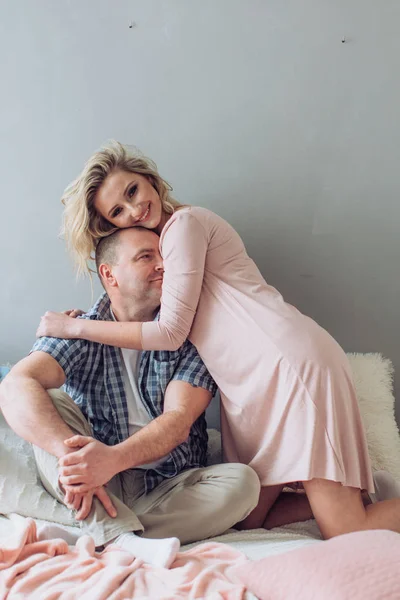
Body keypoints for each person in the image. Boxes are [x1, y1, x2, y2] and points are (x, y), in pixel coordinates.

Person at [37, 141, 400, 540]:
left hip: (286, 365)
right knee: (246, 520)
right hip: (253, 384)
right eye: (118, 212)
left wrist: (75, 327)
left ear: (150, 180)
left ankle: (355, 506)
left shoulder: (184, 225)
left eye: (132, 191)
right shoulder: (164, 249)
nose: (135, 209)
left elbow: (171, 334)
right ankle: (367, 496)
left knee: (346, 529)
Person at [0, 226, 261, 568]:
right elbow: (16, 384)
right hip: (95, 480)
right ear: (110, 274)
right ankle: (120, 536)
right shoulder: (79, 327)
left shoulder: (192, 337)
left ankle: (87, 531)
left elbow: (178, 420)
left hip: (166, 486)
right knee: (48, 399)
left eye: (164, 256)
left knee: (243, 483)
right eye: (146, 257)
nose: (163, 265)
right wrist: (76, 459)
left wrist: (113, 458)